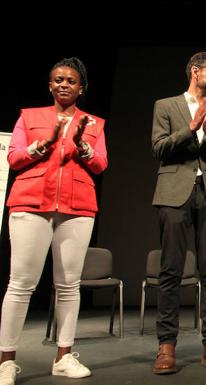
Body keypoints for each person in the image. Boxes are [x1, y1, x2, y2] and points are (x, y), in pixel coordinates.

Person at [0, 57, 107, 385]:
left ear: (81, 88)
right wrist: (42, 145)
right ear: (50, 85)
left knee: (68, 285)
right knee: (20, 285)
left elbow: (101, 164)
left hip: (77, 208)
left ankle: (63, 357)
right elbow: (14, 157)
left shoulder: (93, 123)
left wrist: (82, 148)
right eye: (58, 79)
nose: (64, 84)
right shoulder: (29, 117)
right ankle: (6, 361)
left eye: (71, 81)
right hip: (31, 204)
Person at [151, 51, 206, 374]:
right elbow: (158, 148)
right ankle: (166, 346)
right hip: (174, 193)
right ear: (195, 71)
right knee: (171, 271)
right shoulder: (166, 106)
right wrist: (190, 129)